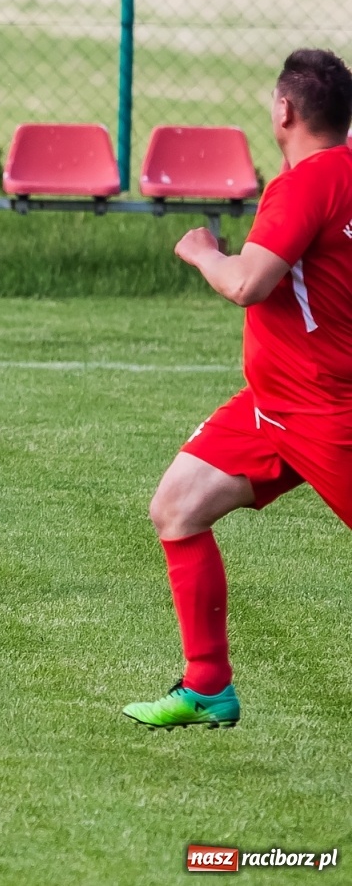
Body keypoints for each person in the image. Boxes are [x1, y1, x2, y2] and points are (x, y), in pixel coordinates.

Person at [124, 49, 352, 729]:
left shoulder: (305, 185)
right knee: (177, 507)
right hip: (273, 407)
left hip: (323, 410)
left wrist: (203, 251)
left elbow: (248, 283)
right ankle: (207, 686)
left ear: (284, 110)